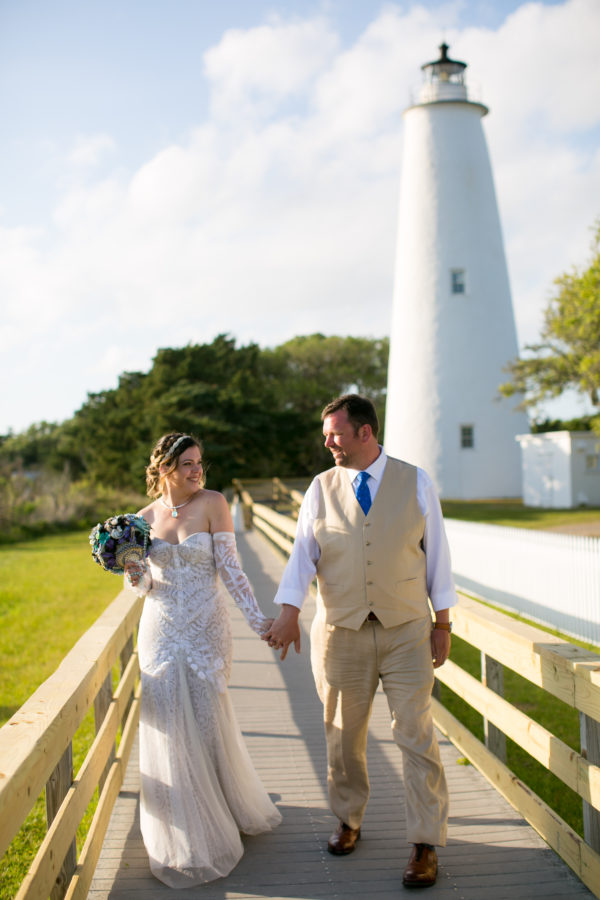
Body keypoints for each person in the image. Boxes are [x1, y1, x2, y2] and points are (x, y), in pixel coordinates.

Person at [263, 394, 456, 888]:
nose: (327, 442)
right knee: (343, 736)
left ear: (365, 432)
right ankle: (348, 819)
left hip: (406, 630)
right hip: (341, 631)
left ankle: (425, 842)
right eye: (326, 434)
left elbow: (438, 555)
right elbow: (302, 556)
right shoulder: (320, 487)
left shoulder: (417, 481)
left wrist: (443, 624)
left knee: (415, 733)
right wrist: (289, 612)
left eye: (335, 433)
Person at [126, 432, 281, 888]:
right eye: (188, 464)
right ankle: (182, 823)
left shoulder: (214, 503)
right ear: (165, 469)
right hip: (159, 630)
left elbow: (231, 570)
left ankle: (224, 809)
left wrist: (259, 621)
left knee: (207, 717)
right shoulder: (141, 519)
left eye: (199, 463)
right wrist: (133, 571)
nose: (198, 470)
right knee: (169, 722)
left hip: (207, 628)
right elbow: (143, 587)